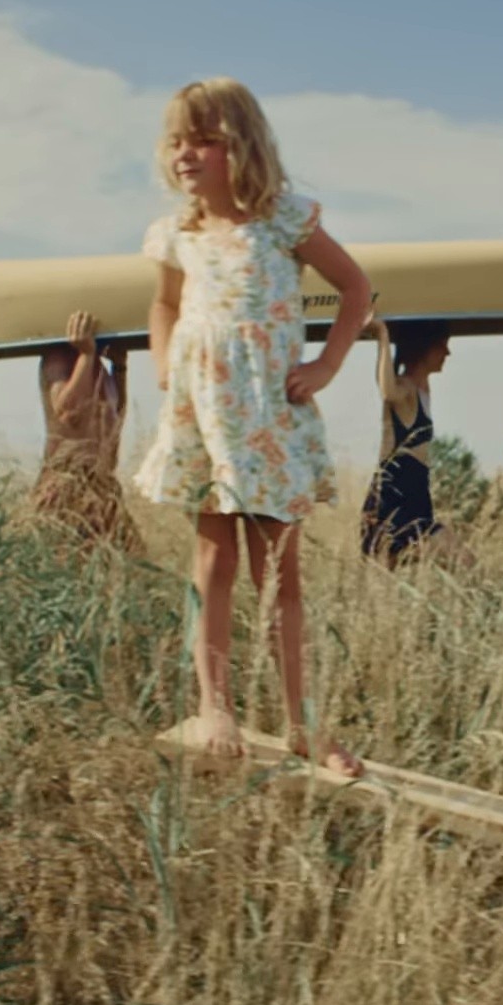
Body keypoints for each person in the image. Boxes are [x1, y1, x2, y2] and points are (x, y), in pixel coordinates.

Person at [130, 78, 372, 776]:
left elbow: (355, 289)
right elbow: (164, 304)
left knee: (280, 575)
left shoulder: (282, 220)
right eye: (177, 140)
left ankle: (303, 724)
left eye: (204, 138)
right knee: (213, 563)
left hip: (267, 416)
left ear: (243, 146)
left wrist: (326, 364)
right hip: (204, 415)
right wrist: (166, 367)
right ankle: (216, 705)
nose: (187, 153)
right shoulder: (176, 233)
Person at [30, 310, 140, 550]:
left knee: (131, 558)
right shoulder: (59, 357)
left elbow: (114, 417)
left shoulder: (96, 365)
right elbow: (69, 412)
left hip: (101, 485)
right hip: (67, 483)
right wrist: (86, 356)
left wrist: (120, 368)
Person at [360, 315, 450, 562]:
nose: (448, 352)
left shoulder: (423, 390)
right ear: (425, 347)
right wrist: (382, 336)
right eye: (443, 344)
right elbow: (388, 391)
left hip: (416, 493)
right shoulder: (406, 387)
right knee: (456, 557)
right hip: (394, 494)